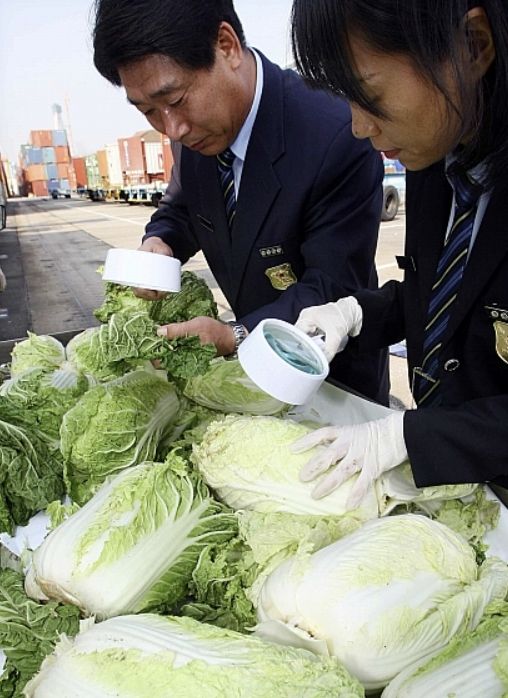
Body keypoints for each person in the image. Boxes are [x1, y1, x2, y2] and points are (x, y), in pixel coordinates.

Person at [92, 0, 389, 405]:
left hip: (329, 376)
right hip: (246, 372)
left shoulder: (334, 133)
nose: (172, 129)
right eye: (149, 111)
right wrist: (160, 243)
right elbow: (181, 209)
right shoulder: (194, 133)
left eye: (176, 100)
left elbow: (332, 286)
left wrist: (234, 334)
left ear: (226, 46)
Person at [289, 0, 508, 506]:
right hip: (468, 488)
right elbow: (447, 295)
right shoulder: (437, 150)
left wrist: (410, 438)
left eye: (369, 96)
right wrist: (358, 314)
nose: (359, 127)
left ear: (473, 46)